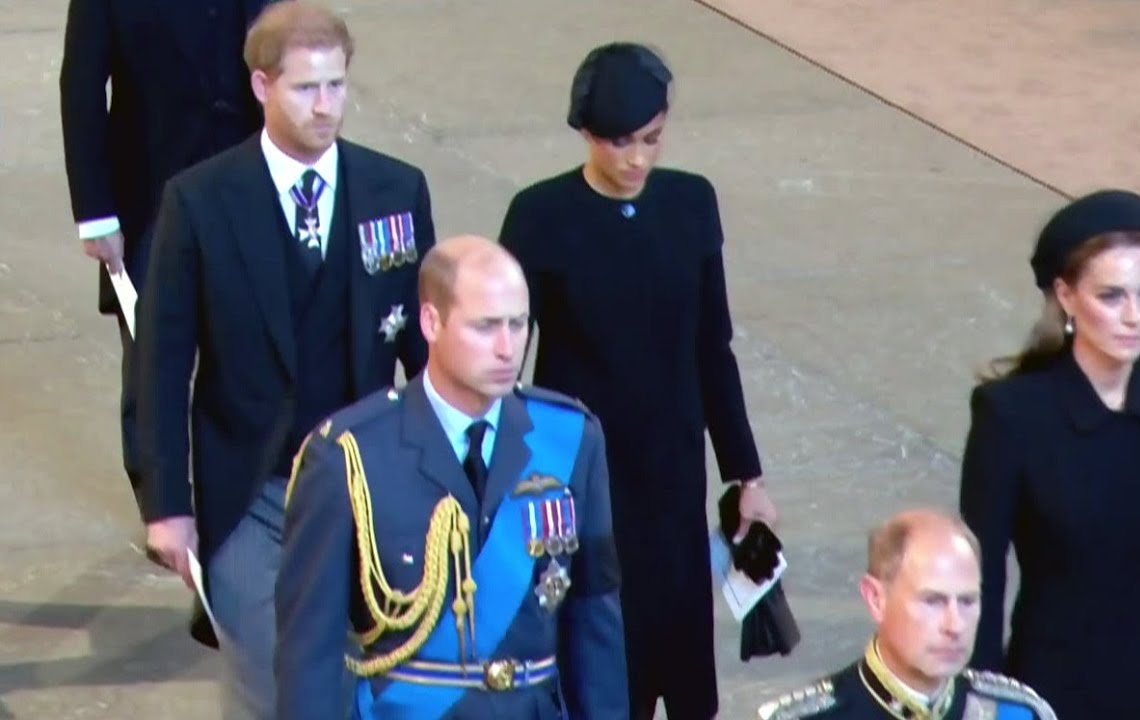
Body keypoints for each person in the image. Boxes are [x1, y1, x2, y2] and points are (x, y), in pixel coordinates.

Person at [134, 3, 435, 717]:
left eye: (336, 86)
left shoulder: (396, 190)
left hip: (367, 488)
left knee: (365, 686)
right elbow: (161, 364)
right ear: (262, 86)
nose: (326, 107)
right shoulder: (201, 201)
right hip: (251, 494)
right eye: (306, 89)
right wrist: (168, 507)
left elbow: (425, 347)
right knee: (272, 687)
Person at [497, 41, 777, 719]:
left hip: (672, 472)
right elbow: (502, 360)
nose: (636, 160)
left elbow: (714, 348)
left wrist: (746, 474)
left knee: (679, 651)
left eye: (650, 139)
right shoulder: (540, 218)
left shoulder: (689, 205)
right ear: (587, 134)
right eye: (618, 142)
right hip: (580, 473)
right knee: (600, 648)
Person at [275, 235, 628, 719]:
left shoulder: (569, 438)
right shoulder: (350, 456)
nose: (508, 348)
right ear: (430, 322)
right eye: (485, 328)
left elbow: (594, 619)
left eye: (519, 324)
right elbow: (309, 650)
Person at [958, 190, 1140, 719]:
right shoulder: (1013, 415)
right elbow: (984, 578)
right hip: (1056, 686)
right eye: (1111, 296)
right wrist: (983, 705)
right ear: (1065, 296)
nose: (1134, 316)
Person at [58, 0, 282, 515]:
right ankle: (161, 503)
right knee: (152, 359)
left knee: (255, 347)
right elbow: (83, 87)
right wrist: (96, 213)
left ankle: (250, 490)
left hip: (247, 186)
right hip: (149, 193)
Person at [757, 509, 1057, 719]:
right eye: (933, 601)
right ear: (876, 599)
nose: (955, 625)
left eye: (967, 601)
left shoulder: (1018, 714)